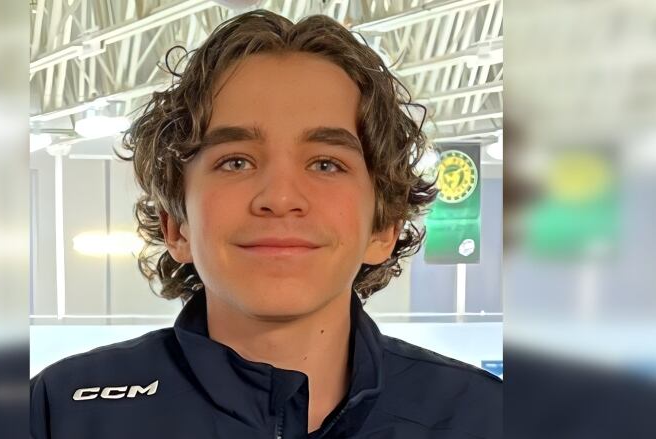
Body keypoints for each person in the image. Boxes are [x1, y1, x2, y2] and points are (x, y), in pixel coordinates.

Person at [30, 9, 501, 438]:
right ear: (177, 225)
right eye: (235, 162)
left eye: (325, 164)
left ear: (384, 226)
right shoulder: (60, 414)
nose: (279, 198)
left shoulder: (484, 418)